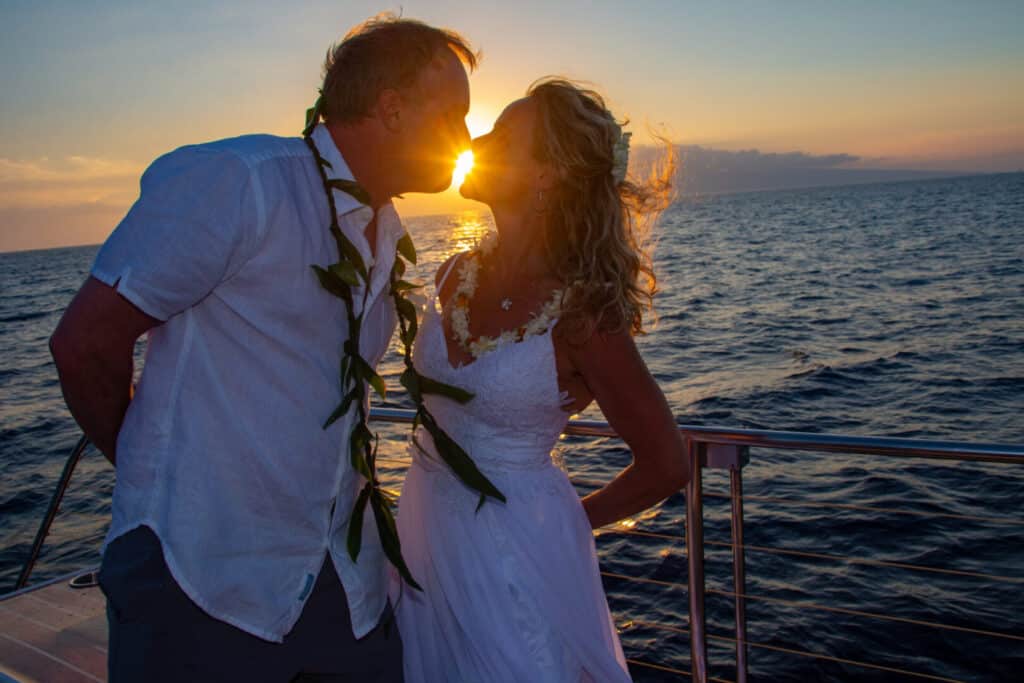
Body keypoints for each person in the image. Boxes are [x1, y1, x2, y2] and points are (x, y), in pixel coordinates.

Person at [48, 14, 475, 682]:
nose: (468, 136)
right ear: (392, 109)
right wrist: (160, 474)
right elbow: (83, 344)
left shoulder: (385, 227)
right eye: (454, 115)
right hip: (199, 578)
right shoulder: (240, 182)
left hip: (344, 579)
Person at [392, 78, 690, 682]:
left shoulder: (581, 315)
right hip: (422, 537)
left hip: (517, 558)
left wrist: (564, 523)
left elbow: (666, 463)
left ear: (547, 175)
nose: (478, 140)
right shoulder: (453, 272)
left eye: (502, 135)